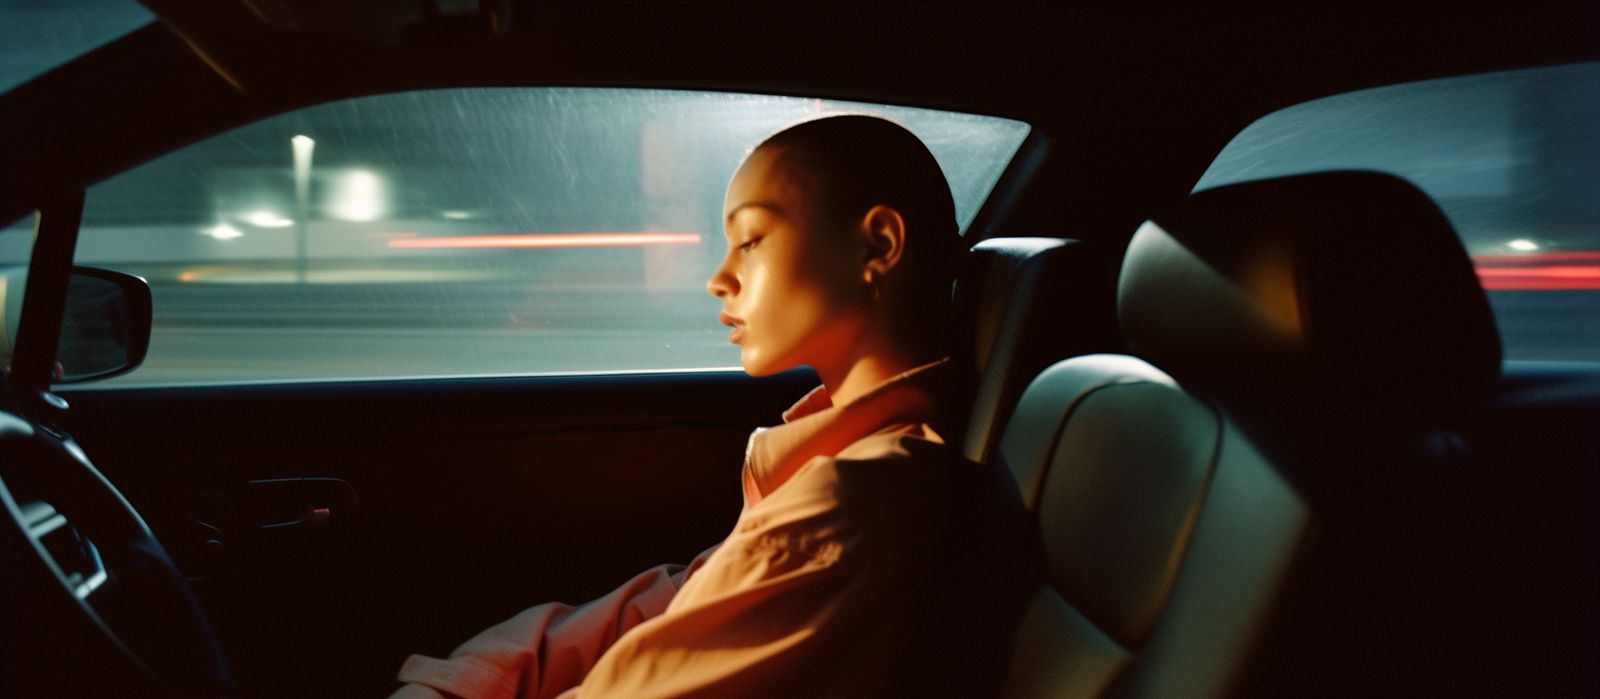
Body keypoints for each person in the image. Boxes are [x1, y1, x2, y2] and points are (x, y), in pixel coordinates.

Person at [392, 114, 1030, 699]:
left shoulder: (840, 507)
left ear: (878, 245)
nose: (718, 278)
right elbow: (676, 598)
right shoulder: (830, 465)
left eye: (750, 239)